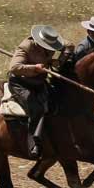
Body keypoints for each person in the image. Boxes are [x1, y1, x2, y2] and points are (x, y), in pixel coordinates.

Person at [8, 25, 66, 159]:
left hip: (39, 82)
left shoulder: (53, 43)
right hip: (21, 83)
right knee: (37, 108)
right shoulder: (25, 47)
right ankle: (33, 143)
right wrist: (35, 68)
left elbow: (69, 45)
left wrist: (60, 60)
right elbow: (14, 67)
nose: (50, 49)